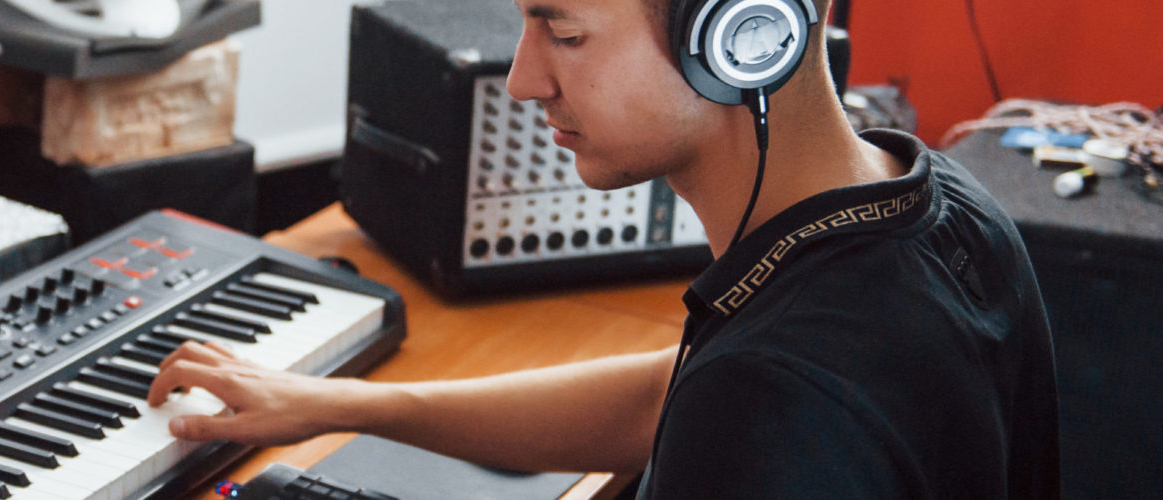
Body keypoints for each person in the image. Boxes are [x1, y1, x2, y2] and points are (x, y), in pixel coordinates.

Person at [145, 0, 1061, 497]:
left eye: (565, 31)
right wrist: (334, 404)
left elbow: (740, 400)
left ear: (743, 38)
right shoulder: (934, 207)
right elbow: (672, 395)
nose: (523, 78)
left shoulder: (779, 395)